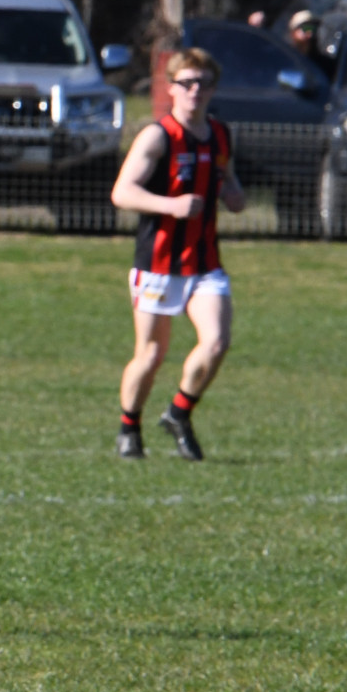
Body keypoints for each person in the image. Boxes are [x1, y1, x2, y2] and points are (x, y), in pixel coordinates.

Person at [112, 46, 244, 461]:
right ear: (171, 88)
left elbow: (228, 181)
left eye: (203, 84)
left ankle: (179, 412)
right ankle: (129, 427)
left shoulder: (221, 134)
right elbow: (122, 192)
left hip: (204, 264)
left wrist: (234, 195)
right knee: (150, 356)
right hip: (159, 263)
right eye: (186, 83)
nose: (194, 91)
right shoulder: (157, 135)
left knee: (217, 341)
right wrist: (170, 205)